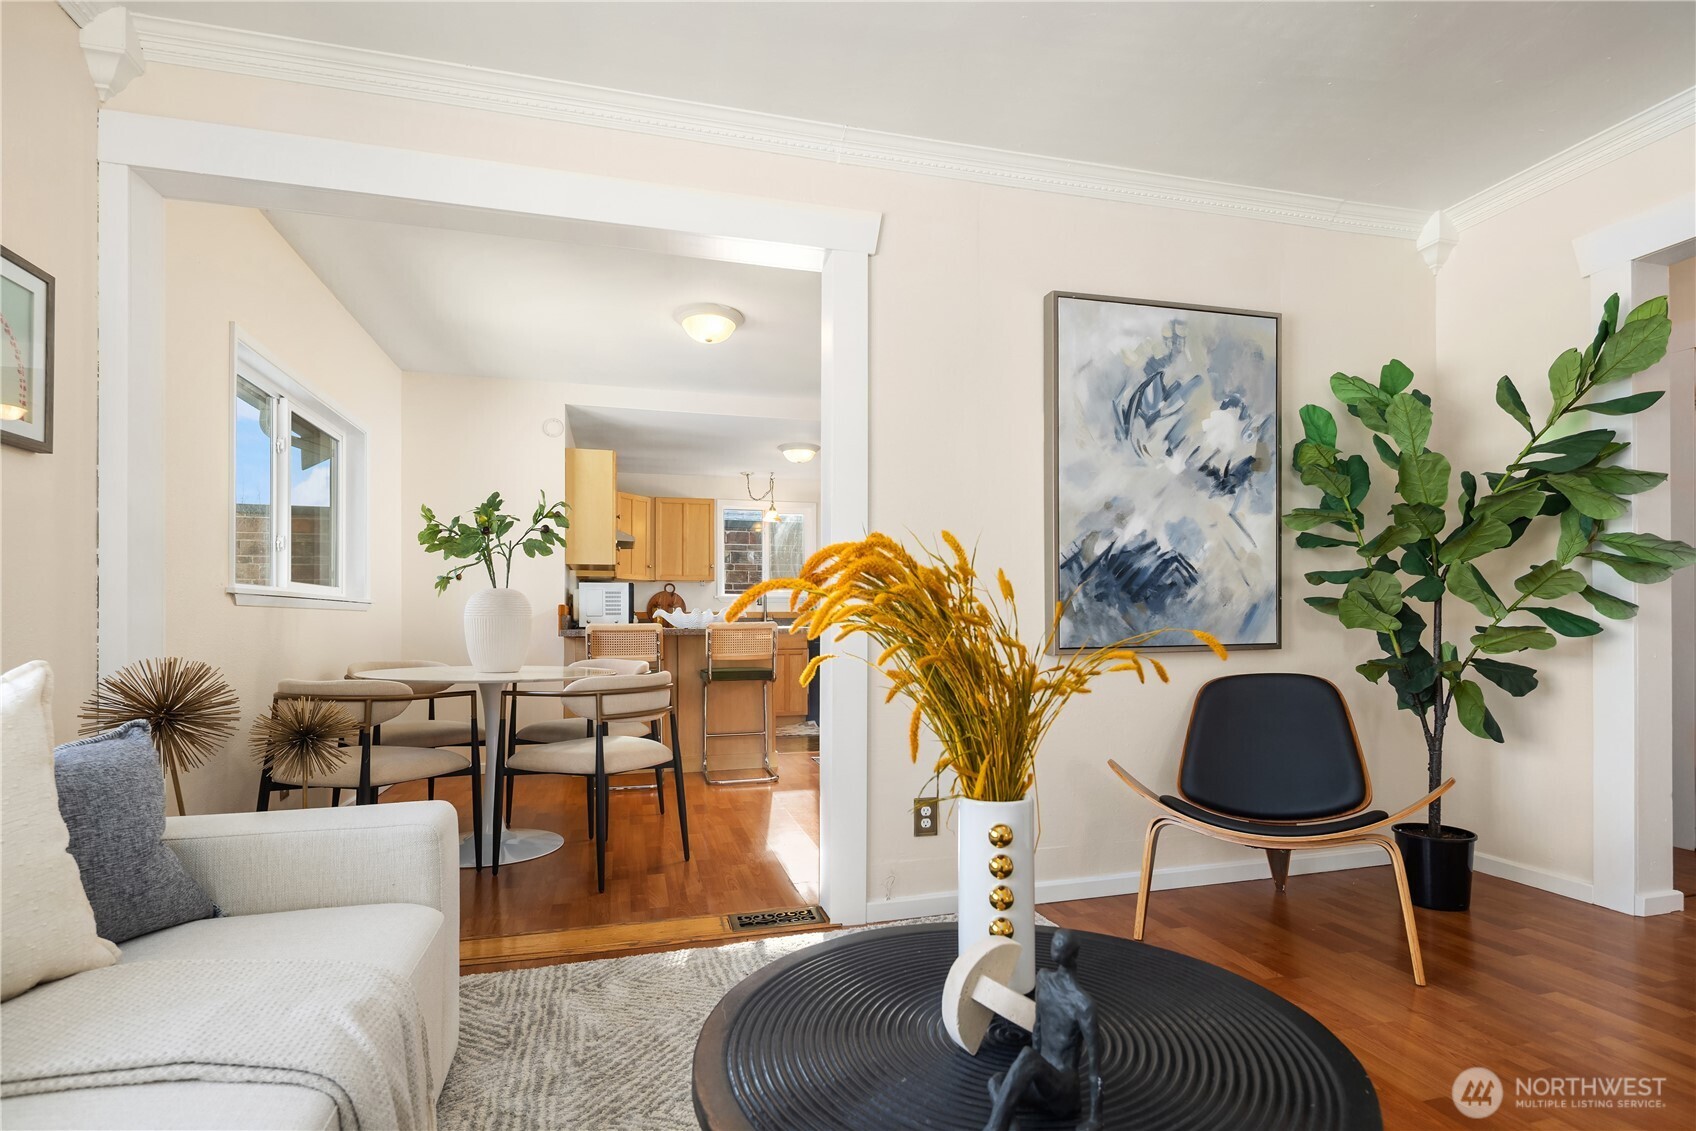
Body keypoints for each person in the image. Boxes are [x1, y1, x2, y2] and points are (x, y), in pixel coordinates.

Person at [985, 930, 1102, 1131]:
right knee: (996, 1081)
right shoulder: (1043, 980)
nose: (1056, 943)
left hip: (1063, 1093)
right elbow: (1037, 1029)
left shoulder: (1083, 1004)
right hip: (1039, 1082)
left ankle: (994, 1128)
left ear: (1074, 954)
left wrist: (1095, 1119)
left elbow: (1095, 1067)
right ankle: (1013, 1128)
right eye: (1055, 940)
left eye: (1060, 943)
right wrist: (1028, 1076)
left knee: (1028, 1057)